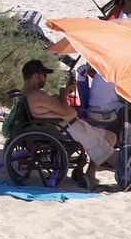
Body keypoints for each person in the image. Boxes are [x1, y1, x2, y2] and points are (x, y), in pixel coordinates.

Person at [21, 59, 114, 188]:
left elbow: (51, 104)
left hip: (67, 127)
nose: (46, 79)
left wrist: (66, 90)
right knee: (111, 149)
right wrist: (64, 93)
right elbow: (64, 110)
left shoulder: (30, 93)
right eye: (44, 75)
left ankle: (90, 173)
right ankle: (113, 170)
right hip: (68, 129)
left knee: (111, 137)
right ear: (36, 76)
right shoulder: (36, 95)